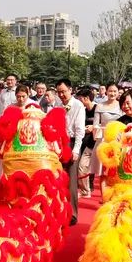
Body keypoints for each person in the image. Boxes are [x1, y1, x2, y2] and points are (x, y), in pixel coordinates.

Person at [55, 79, 85, 225]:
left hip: (72, 142)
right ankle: (59, 210)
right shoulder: (57, 105)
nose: (61, 94)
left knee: (72, 180)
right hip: (59, 143)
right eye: (59, 92)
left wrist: (76, 150)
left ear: (70, 90)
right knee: (58, 178)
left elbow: (80, 131)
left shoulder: (78, 105)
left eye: (64, 91)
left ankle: (72, 213)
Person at [90, 83, 123, 194]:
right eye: (110, 91)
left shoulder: (122, 106)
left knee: (118, 170)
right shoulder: (100, 106)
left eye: (114, 91)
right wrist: (103, 129)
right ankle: (104, 196)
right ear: (106, 92)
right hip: (104, 139)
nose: (112, 93)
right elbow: (95, 125)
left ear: (118, 92)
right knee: (103, 171)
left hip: (118, 140)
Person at [76, 87, 96, 198]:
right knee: (82, 167)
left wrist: (94, 128)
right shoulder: (82, 111)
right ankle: (85, 190)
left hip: (96, 143)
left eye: (79, 99)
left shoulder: (98, 109)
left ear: (86, 98)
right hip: (85, 142)